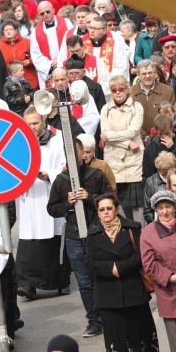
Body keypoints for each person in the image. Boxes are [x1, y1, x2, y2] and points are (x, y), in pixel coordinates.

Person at [47, 137, 112, 338]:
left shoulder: (96, 175)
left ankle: (110, 316)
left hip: (97, 233)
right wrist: (67, 203)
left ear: (83, 153)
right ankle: (94, 321)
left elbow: (112, 201)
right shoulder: (60, 180)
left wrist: (91, 198)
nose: (72, 158)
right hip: (73, 236)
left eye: (75, 153)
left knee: (103, 277)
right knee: (84, 282)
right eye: (67, 154)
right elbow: (52, 209)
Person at [86, 193, 159, 351]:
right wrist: (110, 269)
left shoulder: (132, 228)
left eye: (109, 208)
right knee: (117, 342)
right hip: (108, 297)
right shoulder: (93, 235)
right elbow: (90, 263)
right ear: (97, 212)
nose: (106, 212)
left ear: (116, 209)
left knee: (141, 340)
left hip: (134, 293)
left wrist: (121, 268)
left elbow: (141, 255)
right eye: (102, 209)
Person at [16, 106, 68, 300]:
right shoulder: (19, 141)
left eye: (35, 123)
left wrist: (49, 174)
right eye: (28, 123)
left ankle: (59, 282)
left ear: (44, 120)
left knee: (54, 239)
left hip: (50, 193)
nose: (31, 127)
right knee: (30, 241)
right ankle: (28, 285)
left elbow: (65, 164)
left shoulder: (57, 138)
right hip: (30, 197)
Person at [100, 75, 145, 225]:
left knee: (137, 205)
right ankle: (127, 236)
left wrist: (111, 137)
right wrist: (127, 143)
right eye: (114, 90)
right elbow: (104, 135)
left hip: (134, 159)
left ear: (127, 89)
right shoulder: (106, 109)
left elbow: (133, 131)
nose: (118, 92)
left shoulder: (136, 107)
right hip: (114, 160)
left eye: (121, 88)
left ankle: (140, 237)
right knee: (121, 204)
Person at [141, 190, 176, 352]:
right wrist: (171, 277)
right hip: (168, 292)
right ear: (156, 210)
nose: (165, 211)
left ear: (174, 207)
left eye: (168, 206)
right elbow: (149, 264)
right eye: (160, 207)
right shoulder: (148, 232)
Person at [30, 1, 73, 88]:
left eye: (47, 11)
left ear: (53, 10)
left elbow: (73, 44)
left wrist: (60, 60)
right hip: (49, 70)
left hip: (66, 66)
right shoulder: (35, 31)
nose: (45, 14)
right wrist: (50, 65)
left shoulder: (66, 22)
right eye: (42, 13)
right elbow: (35, 54)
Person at [131, 59, 176, 139]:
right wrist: (142, 136)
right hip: (137, 138)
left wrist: (156, 134)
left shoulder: (168, 91)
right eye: (144, 73)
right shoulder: (130, 93)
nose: (147, 76)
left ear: (155, 73)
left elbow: (173, 117)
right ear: (138, 75)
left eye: (150, 73)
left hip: (162, 138)